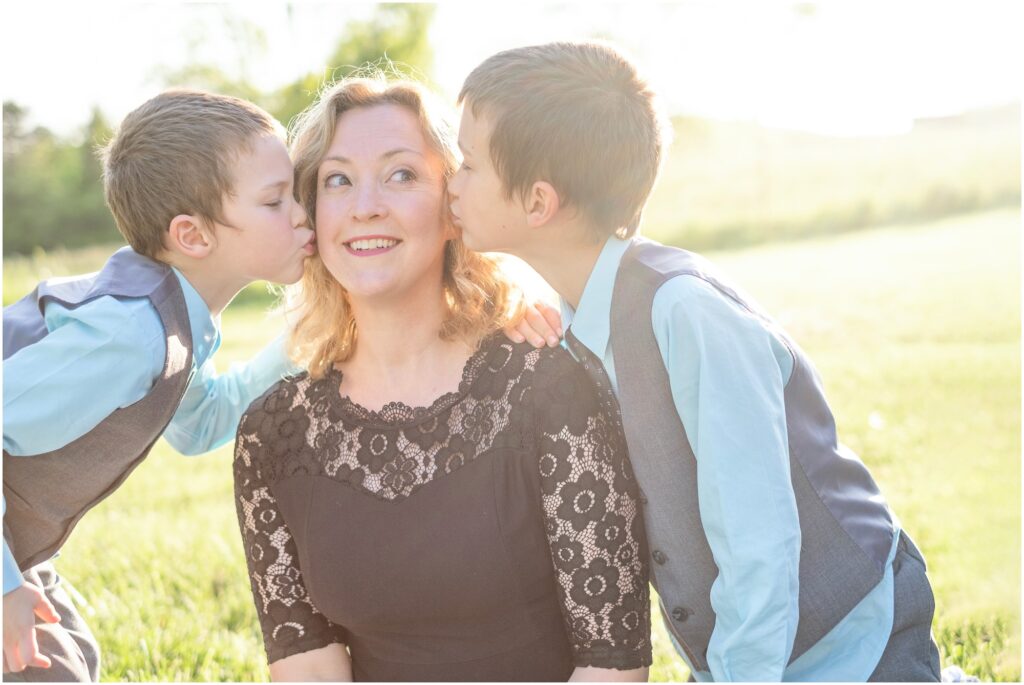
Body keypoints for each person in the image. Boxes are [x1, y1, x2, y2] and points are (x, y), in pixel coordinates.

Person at [1, 87, 561, 681]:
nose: (303, 212)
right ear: (194, 236)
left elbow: (202, 424)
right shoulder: (129, 334)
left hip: (23, 556)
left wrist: (335, 322)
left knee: (63, 666)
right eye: (276, 201)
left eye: (298, 193)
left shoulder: (169, 323)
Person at [448, 41, 941, 681]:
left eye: (466, 165)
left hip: (854, 641)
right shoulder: (573, 313)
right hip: (751, 651)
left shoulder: (686, 314)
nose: (448, 182)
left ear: (538, 202)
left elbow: (758, 542)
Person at [233, 75, 651, 681]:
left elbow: (613, 662)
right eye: (337, 180)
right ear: (314, 218)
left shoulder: (548, 387)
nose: (364, 205)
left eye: (401, 174)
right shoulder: (272, 435)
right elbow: (309, 666)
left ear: (455, 207)